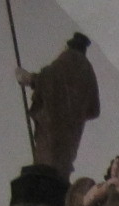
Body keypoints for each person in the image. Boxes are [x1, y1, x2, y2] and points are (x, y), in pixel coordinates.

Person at [17, 32, 100, 178]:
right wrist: (77, 112)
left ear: (68, 46)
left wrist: (31, 79)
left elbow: (50, 79)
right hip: (71, 132)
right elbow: (94, 109)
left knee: (47, 161)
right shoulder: (89, 71)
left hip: (54, 124)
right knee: (61, 163)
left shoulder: (68, 59)